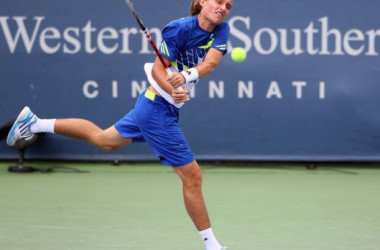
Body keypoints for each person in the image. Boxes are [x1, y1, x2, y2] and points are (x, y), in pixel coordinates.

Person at [7, 0, 233, 249]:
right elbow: (159, 70)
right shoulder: (178, 29)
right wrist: (171, 87)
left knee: (104, 140)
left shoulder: (221, 29)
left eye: (229, 5)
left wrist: (185, 77)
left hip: (155, 107)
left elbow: (210, 64)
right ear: (202, 2)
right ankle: (213, 246)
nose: (223, 7)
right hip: (156, 110)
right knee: (192, 177)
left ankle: (35, 123)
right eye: (219, 1)